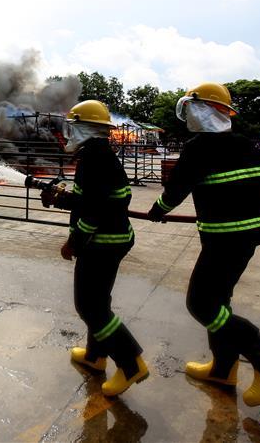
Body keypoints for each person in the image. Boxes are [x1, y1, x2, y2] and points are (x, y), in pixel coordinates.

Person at [146, 82, 260, 407]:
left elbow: (177, 188)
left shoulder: (198, 148)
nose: (189, 117)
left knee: (201, 305)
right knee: (219, 302)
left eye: (192, 110)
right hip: (249, 235)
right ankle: (223, 369)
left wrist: (158, 210)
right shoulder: (243, 144)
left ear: (204, 111)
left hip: (226, 237)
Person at [41, 99, 149, 396]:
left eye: (73, 127)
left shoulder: (92, 159)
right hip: (114, 237)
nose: (69, 133)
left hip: (102, 242)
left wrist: (73, 242)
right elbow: (92, 199)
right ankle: (94, 356)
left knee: (89, 306)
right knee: (98, 302)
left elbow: (93, 213)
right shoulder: (101, 154)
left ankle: (130, 364)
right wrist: (60, 198)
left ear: (84, 128)